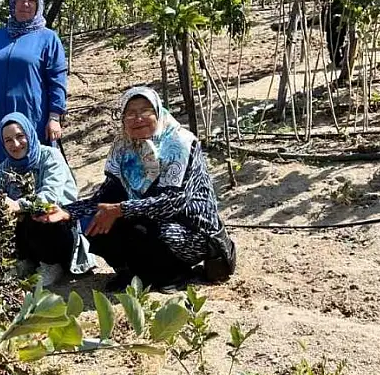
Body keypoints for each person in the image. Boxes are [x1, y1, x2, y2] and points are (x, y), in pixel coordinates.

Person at [36, 86, 236, 290]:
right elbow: (106, 195)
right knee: (94, 220)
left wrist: (121, 210)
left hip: (191, 228)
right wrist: (68, 212)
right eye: (130, 113)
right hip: (147, 217)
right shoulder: (124, 146)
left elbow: (173, 203)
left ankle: (174, 274)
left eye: (145, 111)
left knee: (149, 231)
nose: (137, 118)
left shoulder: (180, 144)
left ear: (158, 112)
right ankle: (132, 272)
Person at [0, 0, 68, 185]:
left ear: (38, 5)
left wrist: (55, 116)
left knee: (29, 160)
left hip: (32, 115)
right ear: (12, 2)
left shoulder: (48, 38)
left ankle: (34, 209)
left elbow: (57, 79)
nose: (26, 4)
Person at [0, 112, 94, 287]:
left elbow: (50, 196)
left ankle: (51, 264)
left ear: (30, 134)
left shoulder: (51, 157)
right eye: (8, 140)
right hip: (28, 234)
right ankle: (25, 261)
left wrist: (18, 205)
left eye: (20, 136)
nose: (15, 144)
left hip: (60, 231)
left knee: (40, 211)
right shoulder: (5, 168)